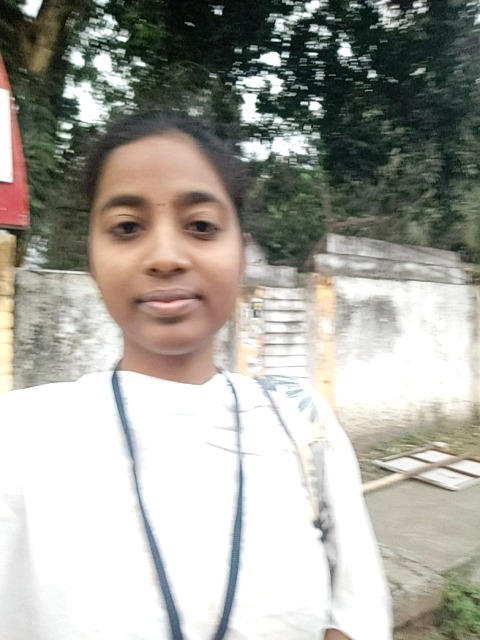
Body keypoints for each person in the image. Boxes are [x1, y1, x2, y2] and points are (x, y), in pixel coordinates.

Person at [0, 108, 392, 640]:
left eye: (201, 226)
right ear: (92, 257)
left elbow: (353, 622)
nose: (165, 257)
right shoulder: (18, 439)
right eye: (127, 228)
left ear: (241, 253)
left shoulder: (304, 428)